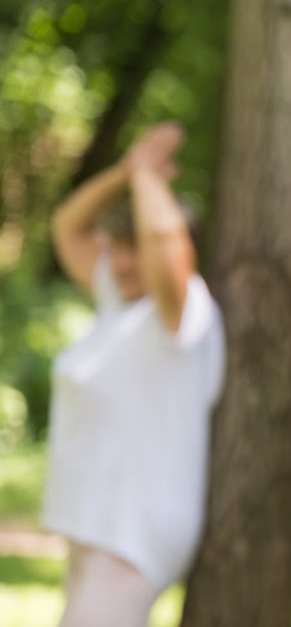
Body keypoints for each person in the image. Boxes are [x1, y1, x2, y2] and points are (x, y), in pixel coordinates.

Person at [43, 123, 226, 627]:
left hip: (132, 533)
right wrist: (128, 170)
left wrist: (148, 178)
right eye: (118, 246)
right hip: (96, 528)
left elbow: (164, 239)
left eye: (135, 248)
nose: (123, 262)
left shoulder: (181, 313)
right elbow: (68, 225)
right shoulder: (119, 305)